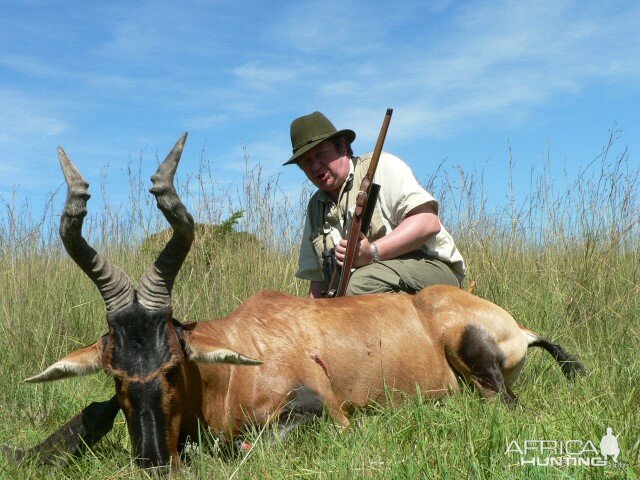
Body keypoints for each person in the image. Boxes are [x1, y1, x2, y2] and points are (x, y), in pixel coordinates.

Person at [285, 111, 465, 298]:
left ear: (344, 148)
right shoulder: (316, 207)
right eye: (306, 162)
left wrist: (372, 252)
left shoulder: (380, 167)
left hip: (431, 268)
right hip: (369, 283)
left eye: (322, 154)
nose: (315, 166)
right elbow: (318, 281)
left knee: (361, 284)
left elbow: (428, 222)